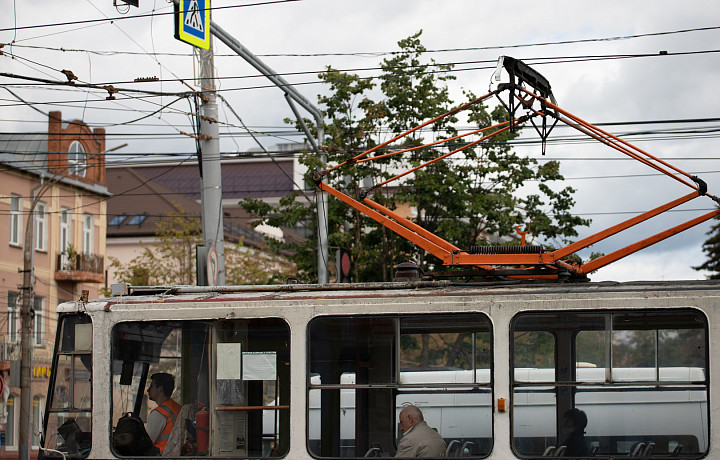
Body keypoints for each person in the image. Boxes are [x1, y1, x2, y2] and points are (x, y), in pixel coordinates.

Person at [146, 372, 182, 454]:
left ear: (160, 389)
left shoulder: (159, 414)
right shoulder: (179, 408)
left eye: (151, 386)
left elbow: (145, 444)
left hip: (162, 455)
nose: (148, 390)